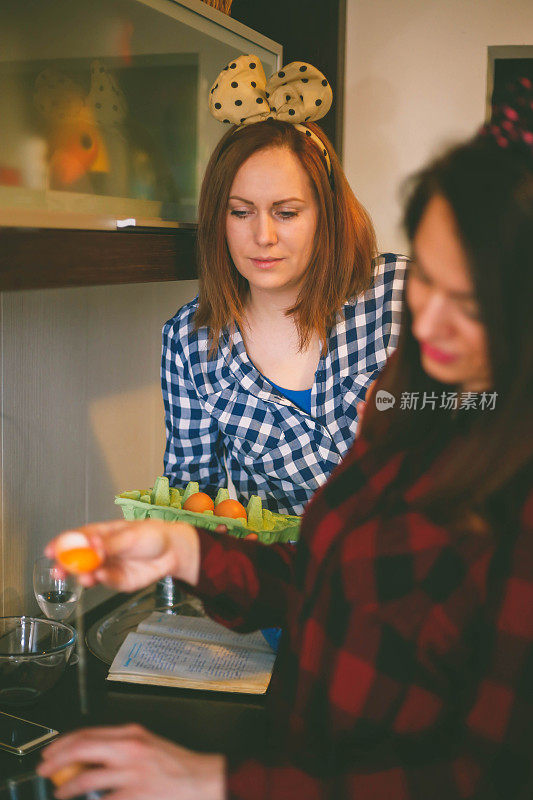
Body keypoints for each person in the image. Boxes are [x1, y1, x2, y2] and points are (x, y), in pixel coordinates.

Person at [39, 80, 533, 798]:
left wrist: (220, 782)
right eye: (425, 278)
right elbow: (337, 575)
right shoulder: (407, 392)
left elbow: (483, 776)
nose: (424, 328)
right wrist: (187, 548)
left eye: (473, 302)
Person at [161, 54, 407, 516]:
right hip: (296, 580)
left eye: (286, 212)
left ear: (326, 213)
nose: (263, 236)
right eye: (241, 212)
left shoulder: (402, 297)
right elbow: (190, 504)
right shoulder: (192, 344)